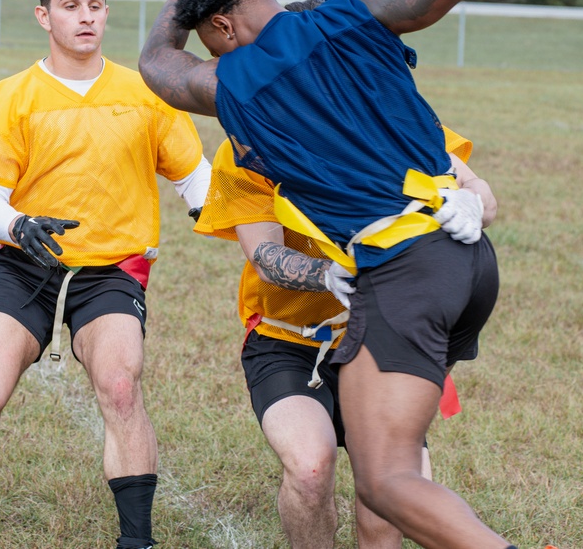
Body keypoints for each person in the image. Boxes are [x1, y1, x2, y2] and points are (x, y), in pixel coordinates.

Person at [138, 0, 583, 547]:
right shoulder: (357, 10)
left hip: (402, 272)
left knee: (384, 481)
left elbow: (156, 61)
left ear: (218, 29)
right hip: (466, 259)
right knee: (389, 466)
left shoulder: (235, 82)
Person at [0, 0, 211, 549]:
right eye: (70, 6)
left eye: (96, 6)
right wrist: (19, 223)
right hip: (29, 265)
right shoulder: (11, 98)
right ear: (43, 15)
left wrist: (224, 212)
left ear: (107, 13)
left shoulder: (145, 92)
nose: (85, 18)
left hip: (112, 271)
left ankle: (138, 541)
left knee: (121, 386)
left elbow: (195, 178)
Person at [195, 112, 490, 548]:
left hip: (381, 338)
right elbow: (265, 254)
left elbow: (479, 188)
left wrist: (473, 202)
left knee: (390, 494)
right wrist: (326, 273)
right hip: (289, 339)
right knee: (310, 468)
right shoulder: (246, 146)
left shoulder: (388, 115)